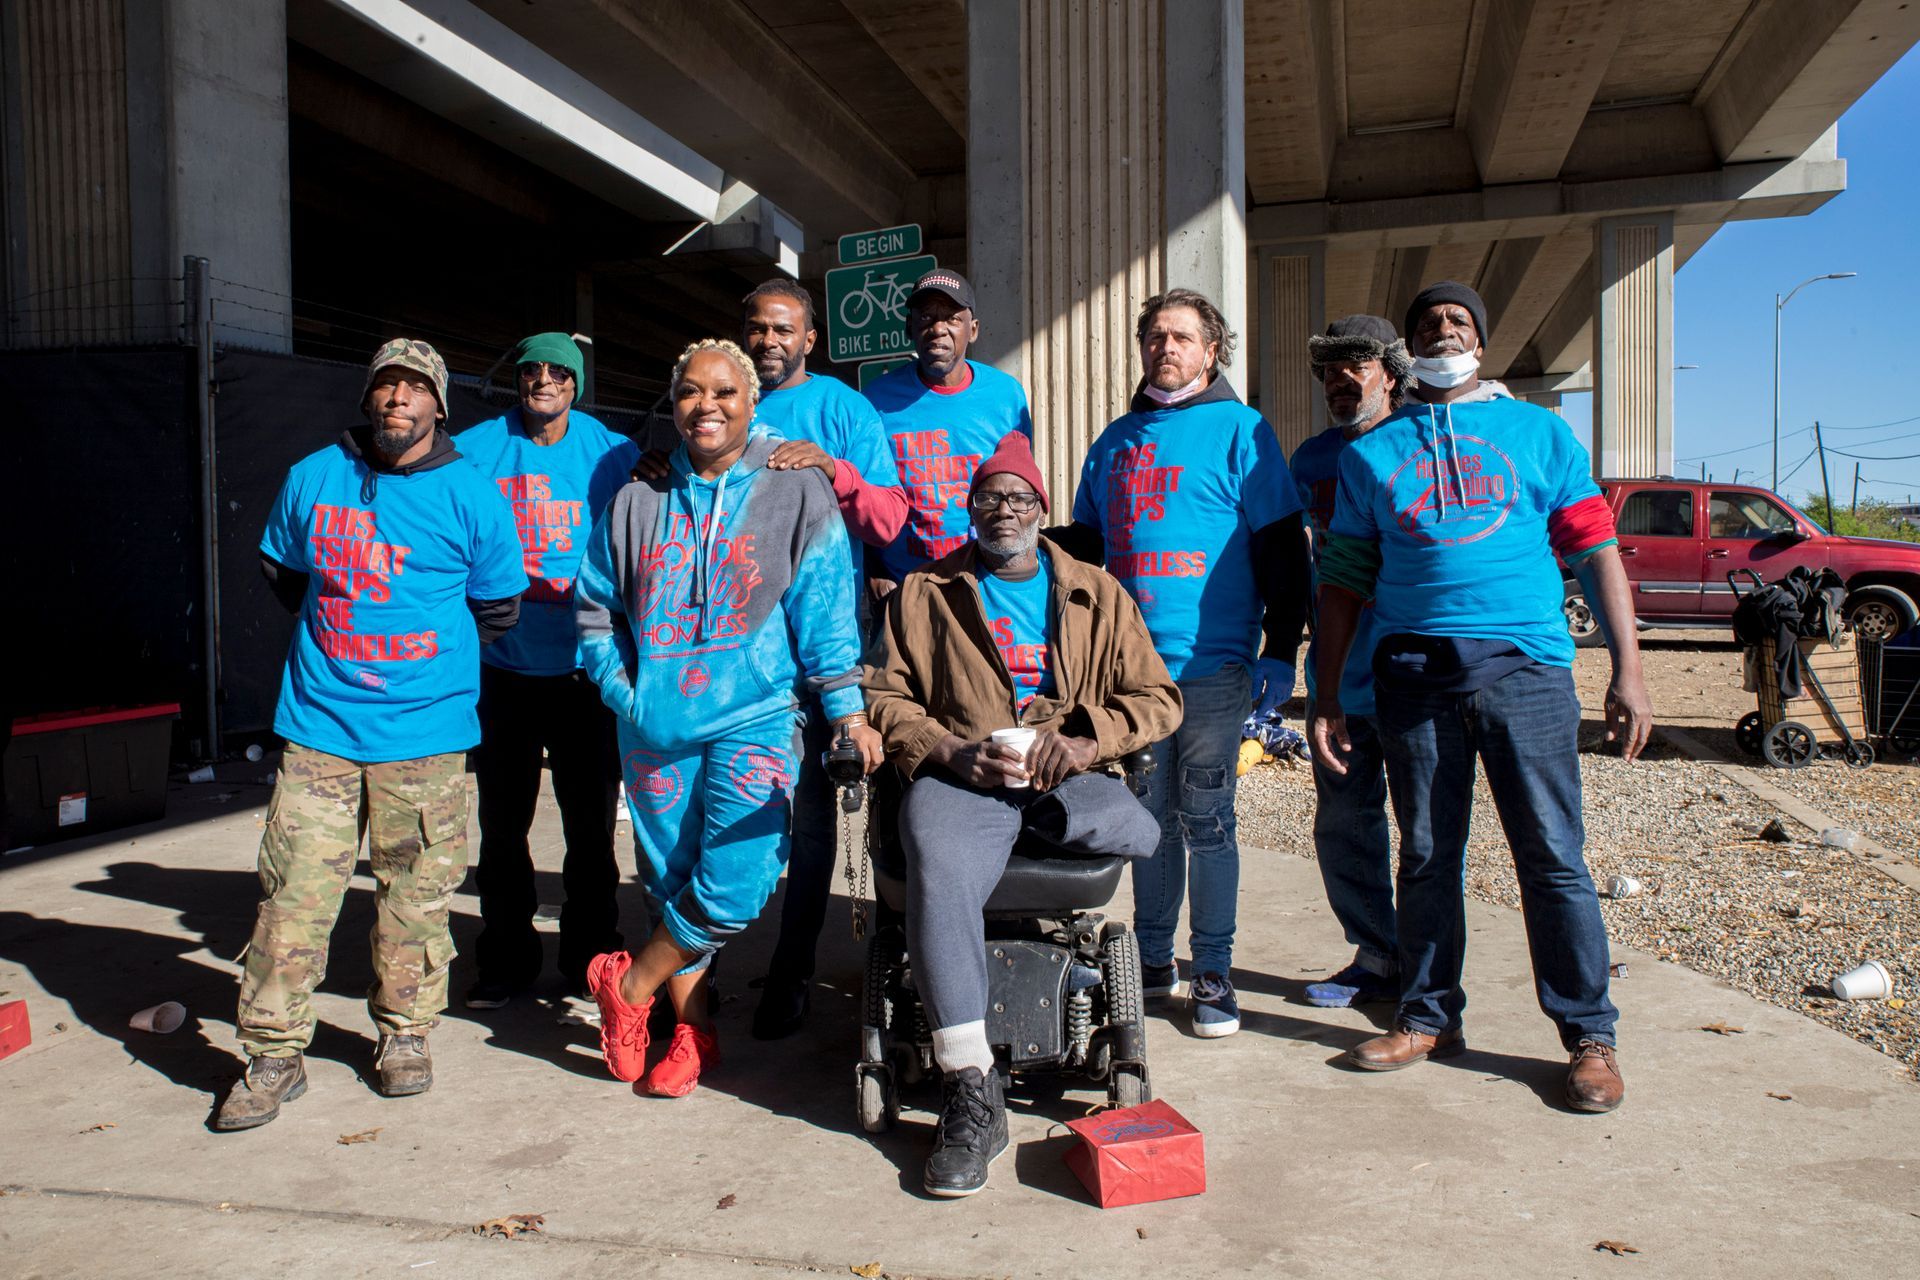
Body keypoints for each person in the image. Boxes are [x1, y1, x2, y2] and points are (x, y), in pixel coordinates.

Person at [1307, 280, 1652, 1113]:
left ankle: (1590, 1037)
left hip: (1526, 673)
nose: (1444, 331)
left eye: (1458, 321)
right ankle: (1428, 1018)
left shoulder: (1539, 433)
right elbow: (1345, 582)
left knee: (1553, 860)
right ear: (1406, 350)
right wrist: (1325, 695)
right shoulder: (1370, 455)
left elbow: (1598, 553)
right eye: (1428, 323)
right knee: (1426, 856)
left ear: (1482, 342)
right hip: (1413, 680)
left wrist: (1628, 671)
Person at [216, 339, 527, 1131]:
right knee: (293, 897)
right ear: (369, 398)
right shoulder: (313, 475)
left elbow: (497, 608)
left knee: (416, 902)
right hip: (320, 727)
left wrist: (421, 671)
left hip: (425, 735)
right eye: (386, 385)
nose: (398, 399)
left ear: (439, 405)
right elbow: (284, 573)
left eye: (415, 387)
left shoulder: (472, 493)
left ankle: (404, 1036)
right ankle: (273, 1055)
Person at [864, 431, 1181, 1197]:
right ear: (970, 511)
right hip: (965, 774)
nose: (1002, 511)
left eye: (1018, 498)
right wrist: (945, 751)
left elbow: (1159, 699)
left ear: (1042, 509)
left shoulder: (1098, 593)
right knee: (937, 861)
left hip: (1060, 778)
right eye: (987, 498)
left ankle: (1037, 818)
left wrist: (1082, 740)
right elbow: (882, 693)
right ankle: (972, 1089)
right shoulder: (924, 592)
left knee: (1139, 828)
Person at [574, 339, 882, 1099]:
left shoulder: (794, 488)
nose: (705, 406)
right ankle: (692, 1033)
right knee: (667, 881)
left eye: (723, 392)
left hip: (756, 715)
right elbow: (592, 612)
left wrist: (845, 713)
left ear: (751, 402)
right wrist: (626, 694)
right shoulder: (636, 497)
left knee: (740, 880)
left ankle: (631, 985)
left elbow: (825, 613)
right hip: (654, 727)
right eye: (687, 392)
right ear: (671, 403)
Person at [1064, 288, 1310, 1038]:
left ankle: (1213, 972)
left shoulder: (1243, 430)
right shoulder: (1112, 442)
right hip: (1130, 679)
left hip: (1212, 669)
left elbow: (1280, 547)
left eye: (1181, 337)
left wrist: (1280, 648)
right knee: (1147, 824)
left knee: (1207, 820)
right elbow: (1083, 555)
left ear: (1212, 352)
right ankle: (1154, 958)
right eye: (1154, 337)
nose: (1165, 348)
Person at [735, 280, 910, 1040]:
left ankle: (792, 968)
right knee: (728, 811)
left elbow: (891, 515)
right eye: (757, 329)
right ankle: (694, 970)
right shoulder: (719, 402)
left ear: (809, 340)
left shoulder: (844, 409)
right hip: (733, 647)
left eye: (783, 330)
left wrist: (835, 471)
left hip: (825, 644)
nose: (768, 341)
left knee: (811, 818)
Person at [455, 332, 639, 1008]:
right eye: (531, 369)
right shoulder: (477, 448)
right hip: (502, 667)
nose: (543, 381)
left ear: (576, 383)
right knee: (502, 827)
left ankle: (591, 959)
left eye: (558, 372)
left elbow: (644, 534)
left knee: (589, 828)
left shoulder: (610, 452)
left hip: (584, 669)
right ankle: (503, 962)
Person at [1289, 316, 1411, 1009]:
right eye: (1329, 370)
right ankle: (1375, 955)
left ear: (1390, 374)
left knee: (1426, 831)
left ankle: (1425, 966)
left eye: (1355, 365)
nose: (1340, 380)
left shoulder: (1422, 443)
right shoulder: (1310, 461)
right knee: (1344, 823)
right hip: (1336, 678)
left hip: (1416, 675)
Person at [864, 269, 1032, 589]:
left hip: (985, 582)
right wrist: (873, 567)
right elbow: (864, 493)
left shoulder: (1006, 396)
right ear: (909, 327)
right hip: (906, 586)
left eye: (952, 318)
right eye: (926, 316)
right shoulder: (875, 400)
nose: (938, 328)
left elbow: (1022, 491)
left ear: (973, 330)